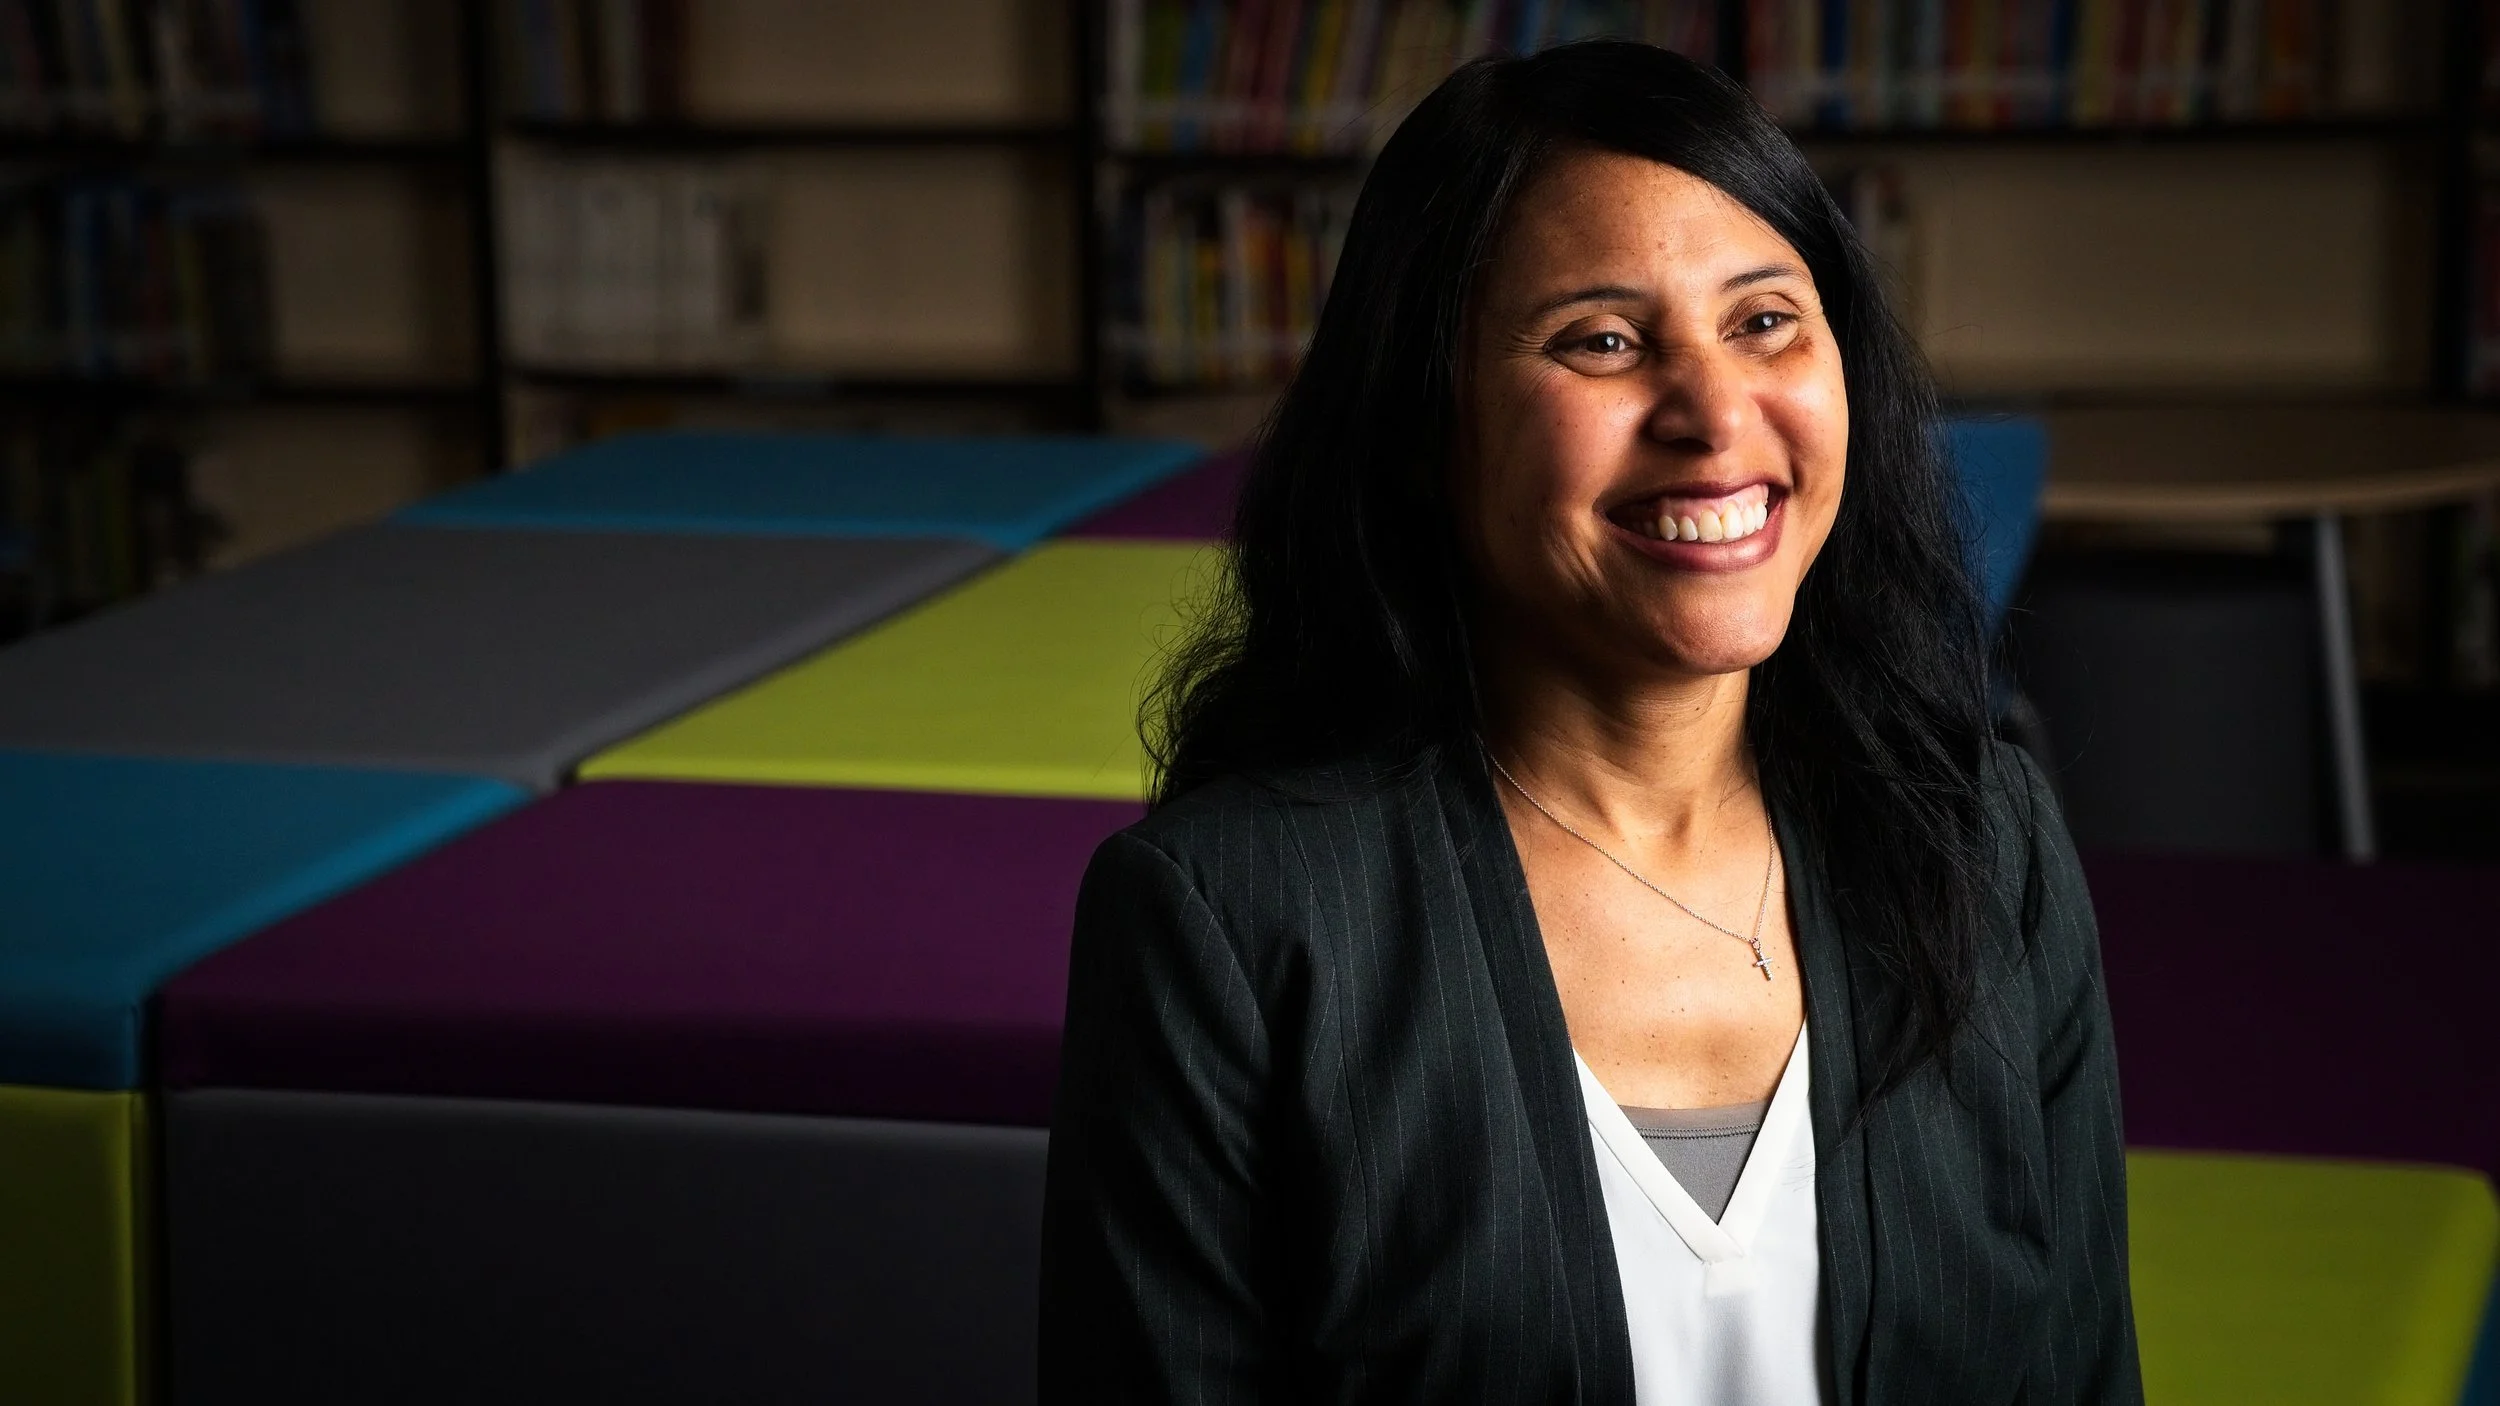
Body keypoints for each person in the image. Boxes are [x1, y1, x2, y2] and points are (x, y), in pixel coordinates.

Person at [1041, 39, 2139, 1405]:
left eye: (1764, 321)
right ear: (1427, 424)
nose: (1715, 414)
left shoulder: (1983, 842)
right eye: (1604, 341)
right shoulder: (1231, 918)